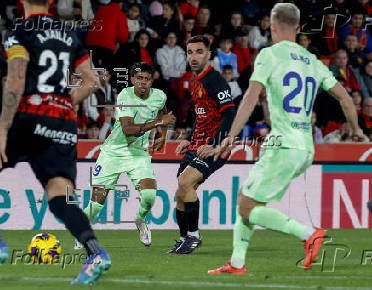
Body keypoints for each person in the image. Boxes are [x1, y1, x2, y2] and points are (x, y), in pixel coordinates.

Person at [198, 3, 365, 274]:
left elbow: (251, 96)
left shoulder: (269, 55)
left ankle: (308, 234)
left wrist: (230, 135)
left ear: (273, 27)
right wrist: (357, 131)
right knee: (246, 198)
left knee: (247, 205)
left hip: (284, 144)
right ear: (298, 29)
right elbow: (346, 98)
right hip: (305, 145)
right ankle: (237, 263)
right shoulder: (313, 60)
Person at [0, 0, 111, 285]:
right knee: (59, 198)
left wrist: (2, 132)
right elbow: (92, 79)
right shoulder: (69, 34)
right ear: (51, 2)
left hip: (29, 116)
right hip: (63, 121)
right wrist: (68, 102)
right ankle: (96, 253)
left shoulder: (20, 30)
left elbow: (16, 79)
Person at [75, 62, 175, 249]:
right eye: (139, 79)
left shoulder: (159, 96)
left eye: (147, 79)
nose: (143, 83)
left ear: (151, 81)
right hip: (113, 152)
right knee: (96, 204)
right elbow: (128, 129)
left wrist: (163, 135)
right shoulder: (125, 96)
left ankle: (140, 220)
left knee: (149, 196)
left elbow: (162, 113)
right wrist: (160, 122)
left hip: (138, 154)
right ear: (131, 80)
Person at [169, 35, 235, 254]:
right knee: (181, 191)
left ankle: (194, 236)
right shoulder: (196, 81)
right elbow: (202, 114)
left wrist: (216, 144)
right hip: (197, 143)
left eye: (199, 52)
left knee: (185, 181)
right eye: (190, 52)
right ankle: (183, 238)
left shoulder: (215, 80)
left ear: (209, 54)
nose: (194, 56)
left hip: (215, 146)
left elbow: (230, 114)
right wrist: (189, 137)